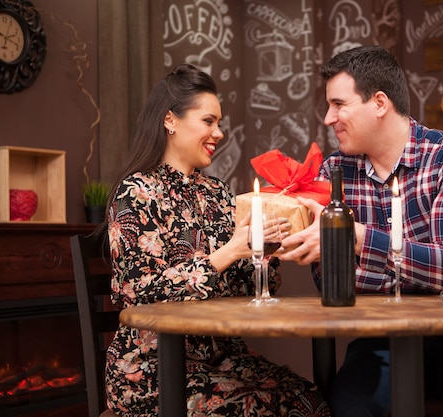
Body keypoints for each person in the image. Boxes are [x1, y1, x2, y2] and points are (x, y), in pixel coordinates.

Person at [279, 46, 443, 417]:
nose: (327, 118)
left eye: (339, 105)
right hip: (383, 336)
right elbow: (330, 280)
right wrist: (414, 266)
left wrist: (357, 240)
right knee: (350, 406)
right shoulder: (335, 171)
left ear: (380, 103)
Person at [104, 64, 330, 417]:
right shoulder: (135, 194)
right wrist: (228, 252)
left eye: (219, 123)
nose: (219, 132)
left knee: (310, 401)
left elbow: (244, 287)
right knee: (261, 409)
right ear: (170, 121)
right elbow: (135, 293)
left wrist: (266, 252)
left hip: (222, 358)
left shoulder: (218, 193)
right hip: (153, 369)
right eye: (209, 121)